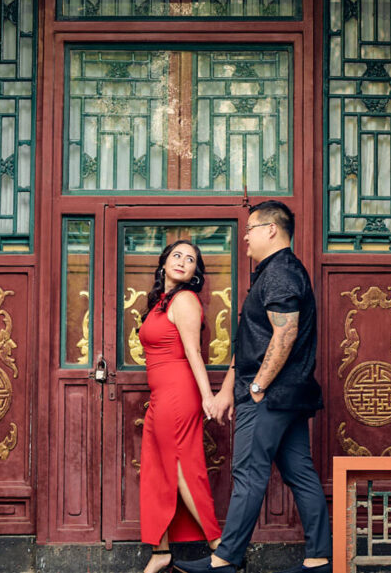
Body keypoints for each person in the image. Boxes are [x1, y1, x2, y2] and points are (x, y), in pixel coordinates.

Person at [175, 201, 331, 573]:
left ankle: (224, 560)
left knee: (247, 472)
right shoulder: (273, 272)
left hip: (271, 396)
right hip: (286, 395)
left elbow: (285, 332)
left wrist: (258, 386)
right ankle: (320, 558)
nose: (244, 237)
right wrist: (231, 388)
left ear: (271, 230)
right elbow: (253, 341)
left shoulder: (281, 271)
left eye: (249, 229)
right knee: (300, 472)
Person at [138, 239, 223, 573]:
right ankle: (160, 551)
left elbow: (194, 352)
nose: (182, 261)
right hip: (160, 396)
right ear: (163, 263)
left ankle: (221, 548)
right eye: (177, 255)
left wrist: (207, 397)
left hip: (178, 393)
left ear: (193, 274)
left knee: (181, 468)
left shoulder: (185, 300)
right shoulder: (160, 302)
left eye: (190, 260)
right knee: (157, 470)